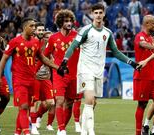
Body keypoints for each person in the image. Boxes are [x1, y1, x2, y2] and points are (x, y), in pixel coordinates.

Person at [57, 4, 138, 135]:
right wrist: (65, 60)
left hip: (98, 71)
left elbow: (116, 52)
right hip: (85, 69)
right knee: (89, 99)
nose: (98, 15)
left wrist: (131, 62)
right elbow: (73, 46)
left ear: (104, 14)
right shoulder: (85, 30)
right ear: (92, 14)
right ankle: (90, 131)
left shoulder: (108, 32)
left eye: (101, 12)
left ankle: (84, 129)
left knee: (93, 102)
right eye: (96, 13)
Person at [0, 18, 58, 135]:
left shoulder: (35, 42)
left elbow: (43, 58)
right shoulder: (15, 41)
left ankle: (17, 132)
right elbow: (3, 60)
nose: (34, 29)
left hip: (32, 80)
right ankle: (26, 132)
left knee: (26, 107)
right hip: (19, 80)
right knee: (23, 106)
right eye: (32, 26)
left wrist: (57, 67)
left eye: (35, 26)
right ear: (25, 27)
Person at [42, 9, 82, 135]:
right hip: (59, 75)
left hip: (75, 75)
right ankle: (61, 129)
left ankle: (62, 126)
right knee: (59, 100)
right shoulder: (53, 38)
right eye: (66, 21)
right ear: (60, 22)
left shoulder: (78, 36)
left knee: (69, 103)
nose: (69, 23)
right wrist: (54, 67)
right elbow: (44, 56)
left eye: (70, 20)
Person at [133, 15, 154, 135]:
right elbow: (142, 44)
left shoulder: (150, 38)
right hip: (142, 77)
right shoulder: (140, 36)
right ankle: (139, 132)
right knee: (142, 104)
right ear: (147, 24)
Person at [29, 22, 55, 134]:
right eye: (38, 30)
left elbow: (51, 59)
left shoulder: (46, 44)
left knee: (50, 102)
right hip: (34, 77)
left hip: (45, 77)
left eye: (42, 30)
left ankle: (38, 116)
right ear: (34, 31)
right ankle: (33, 127)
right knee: (34, 102)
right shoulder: (30, 43)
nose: (40, 32)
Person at [35, 31, 56, 131]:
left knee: (52, 102)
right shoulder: (39, 47)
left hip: (49, 77)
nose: (49, 39)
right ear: (43, 38)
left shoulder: (56, 48)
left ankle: (49, 124)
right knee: (36, 102)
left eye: (51, 37)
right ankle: (34, 121)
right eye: (47, 37)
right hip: (36, 78)